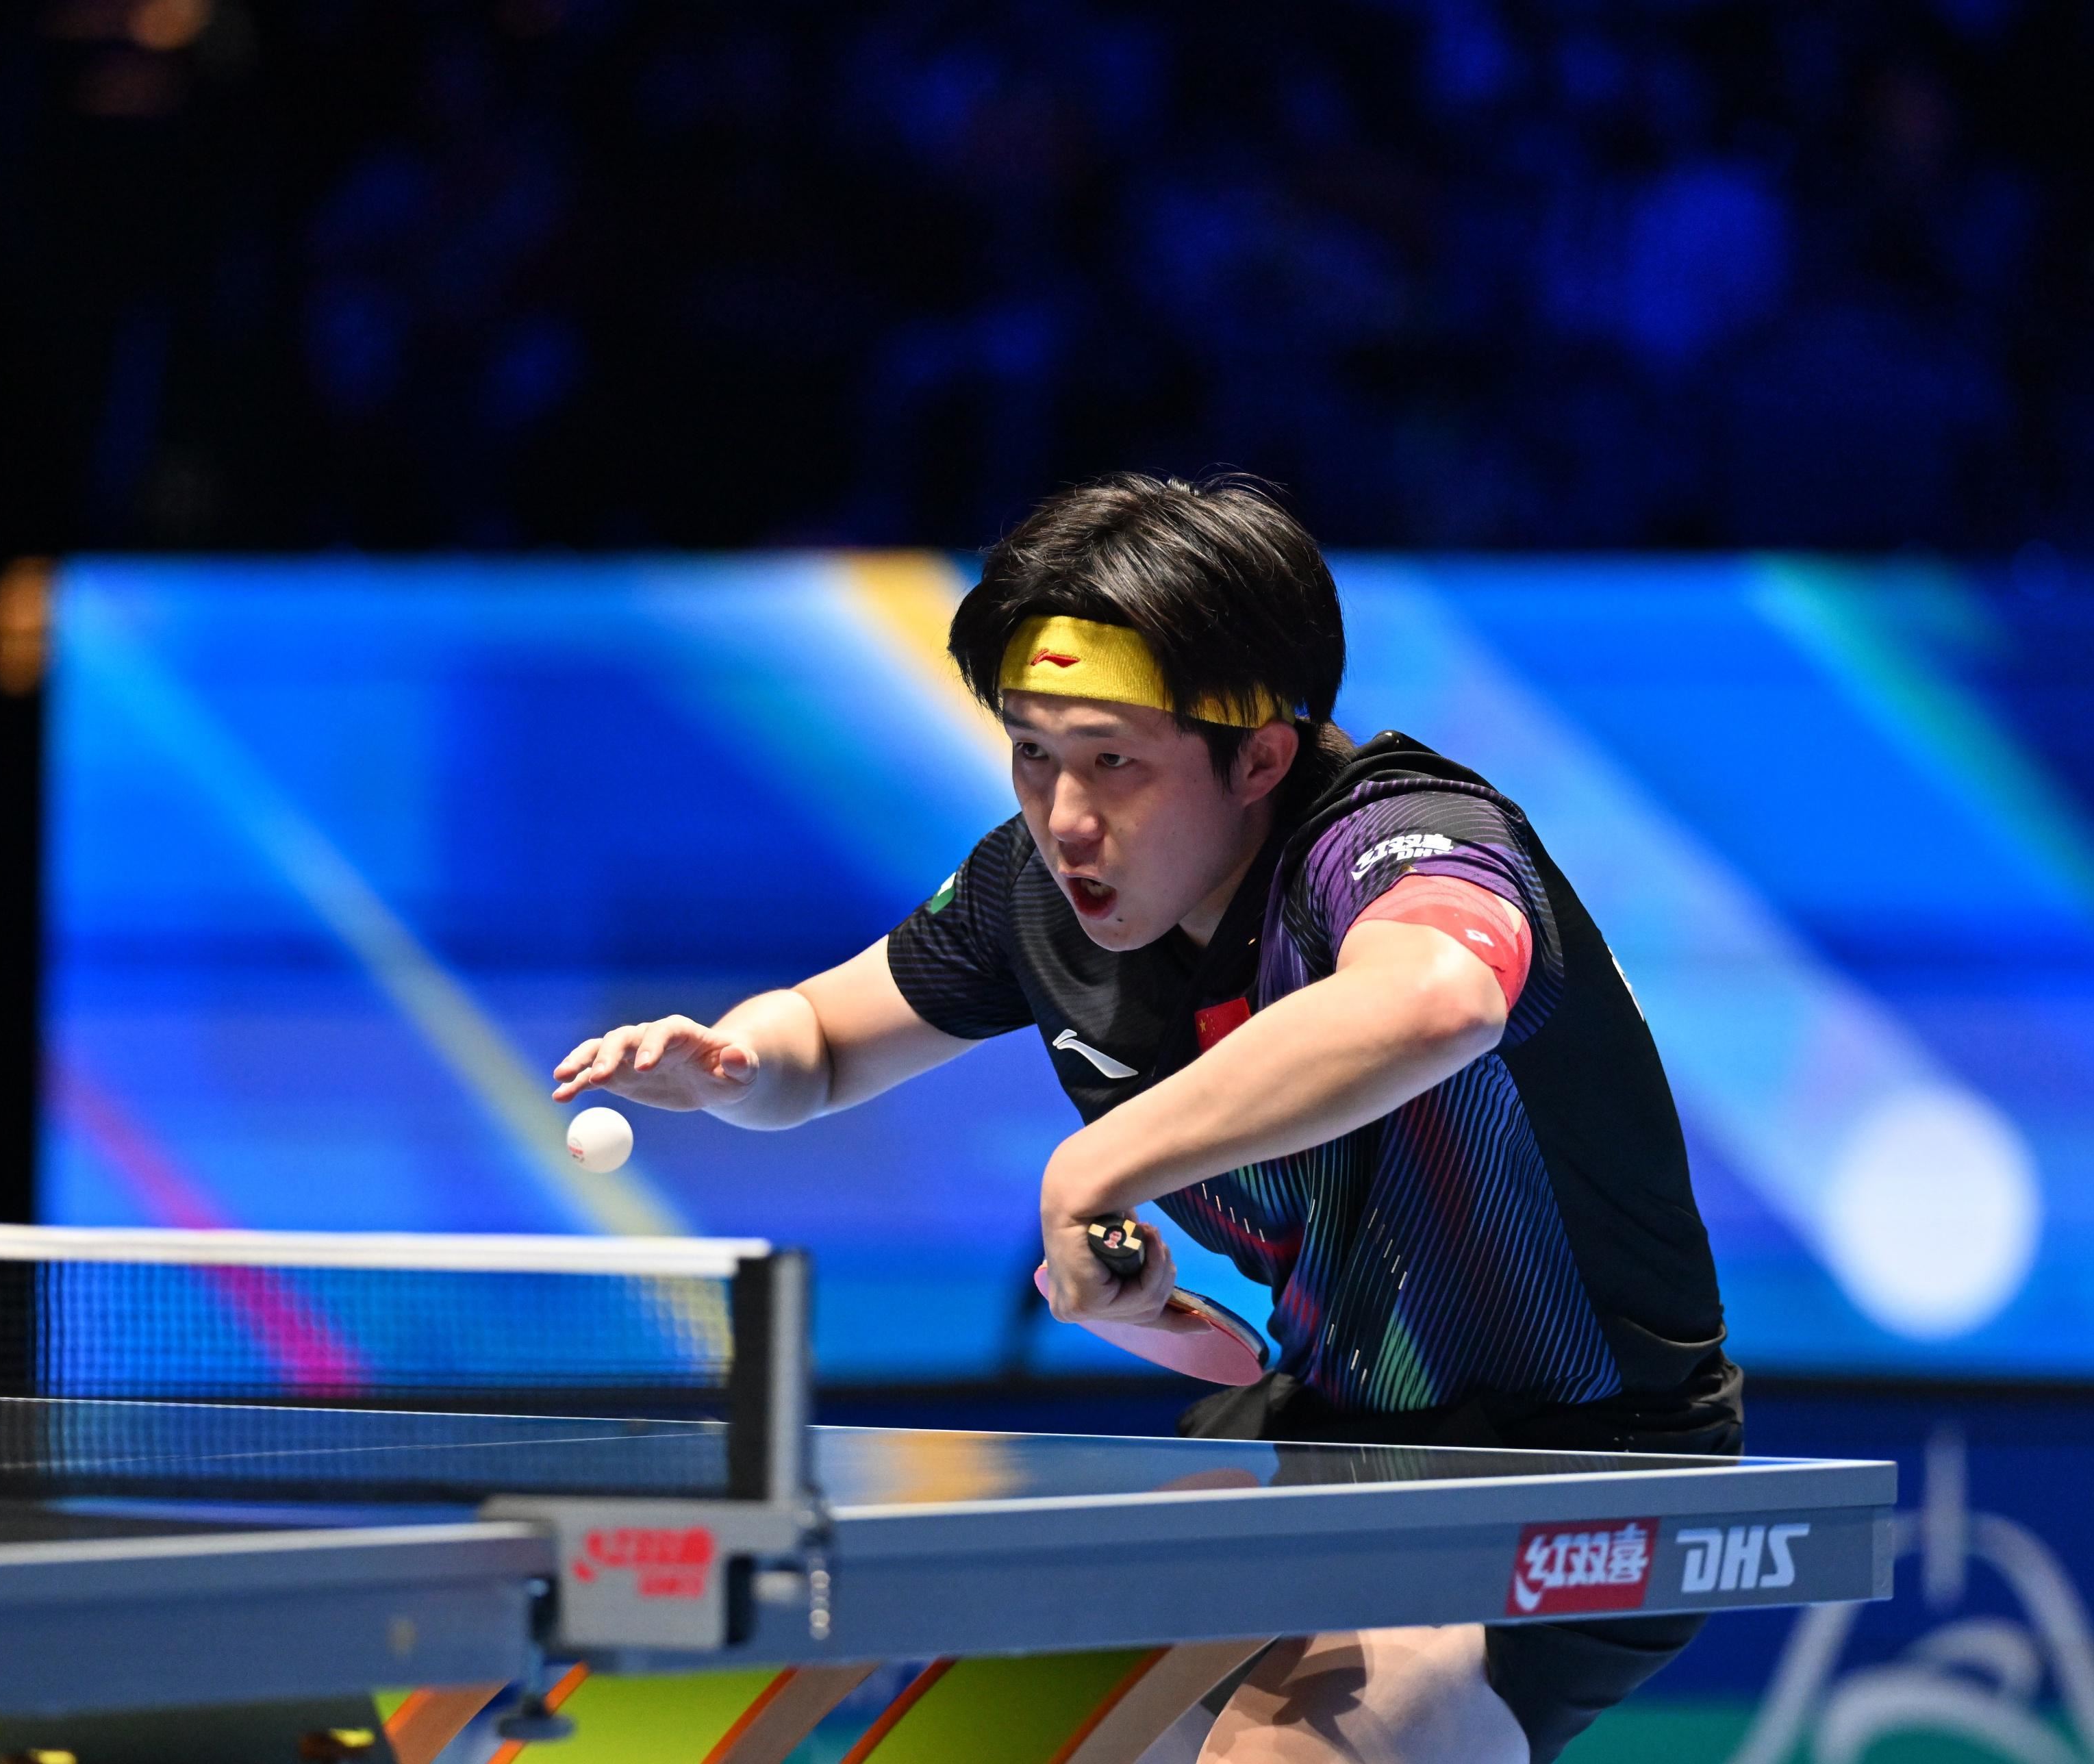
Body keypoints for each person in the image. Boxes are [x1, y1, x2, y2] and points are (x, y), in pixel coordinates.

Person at [553, 474, 1737, 1764]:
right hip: (1321, 1435)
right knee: (1012, 1727)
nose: (1064, 819)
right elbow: (823, 1043)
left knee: (1274, 1754)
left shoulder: (1400, 838)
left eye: (1113, 760)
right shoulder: (1036, 892)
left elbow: (1437, 997)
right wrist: (734, 1064)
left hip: (1578, 1465)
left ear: (1259, 757)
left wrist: (1092, 1168)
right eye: (1032, 753)